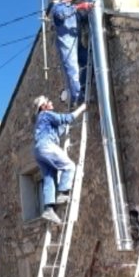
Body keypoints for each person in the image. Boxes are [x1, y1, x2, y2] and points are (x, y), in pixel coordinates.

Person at [32, 95, 86, 224]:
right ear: (43, 106)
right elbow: (66, 118)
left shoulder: (40, 121)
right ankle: (63, 193)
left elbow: (60, 128)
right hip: (46, 146)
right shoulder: (45, 114)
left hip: (38, 151)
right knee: (69, 166)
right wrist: (83, 107)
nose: (51, 103)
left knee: (50, 176)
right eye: (49, 101)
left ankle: (48, 209)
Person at [50, 0, 92, 105]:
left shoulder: (73, 10)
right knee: (72, 70)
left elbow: (82, 18)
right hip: (66, 44)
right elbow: (60, 15)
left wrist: (90, 10)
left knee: (89, 61)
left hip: (76, 45)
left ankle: (82, 89)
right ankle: (77, 97)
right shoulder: (59, 7)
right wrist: (79, 6)